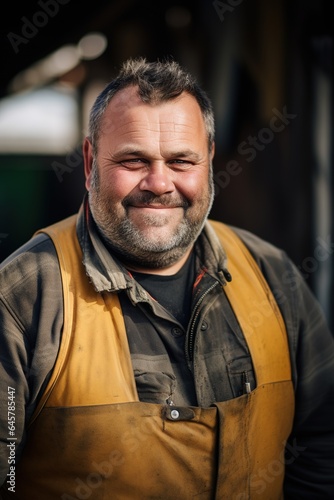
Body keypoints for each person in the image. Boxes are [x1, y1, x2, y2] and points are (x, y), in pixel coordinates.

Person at [0, 57, 333, 500]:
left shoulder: (272, 274)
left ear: (209, 161)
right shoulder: (23, 296)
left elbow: (322, 446)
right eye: (134, 160)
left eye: (181, 161)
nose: (159, 183)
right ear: (89, 162)